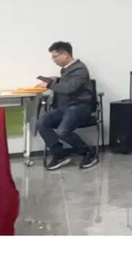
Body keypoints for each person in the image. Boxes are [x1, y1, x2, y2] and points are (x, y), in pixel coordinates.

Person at [35, 41, 97, 170]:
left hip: (80, 107)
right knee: (41, 123)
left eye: (55, 56)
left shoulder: (80, 69)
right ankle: (60, 154)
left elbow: (70, 88)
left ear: (65, 54)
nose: (53, 60)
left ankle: (88, 152)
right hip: (66, 107)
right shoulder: (66, 69)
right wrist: (56, 79)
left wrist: (48, 85)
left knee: (62, 132)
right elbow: (67, 82)